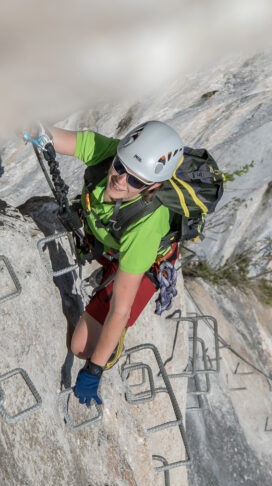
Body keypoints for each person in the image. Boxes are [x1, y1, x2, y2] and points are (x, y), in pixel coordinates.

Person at [31, 121, 185, 408]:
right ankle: (103, 254)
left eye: (135, 181)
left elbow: (120, 310)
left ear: (153, 186)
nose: (121, 180)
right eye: (120, 167)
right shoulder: (110, 154)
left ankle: (112, 345)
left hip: (142, 265)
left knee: (82, 347)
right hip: (106, 236)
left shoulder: (145, 226)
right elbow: (56, 139)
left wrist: (94, 369)